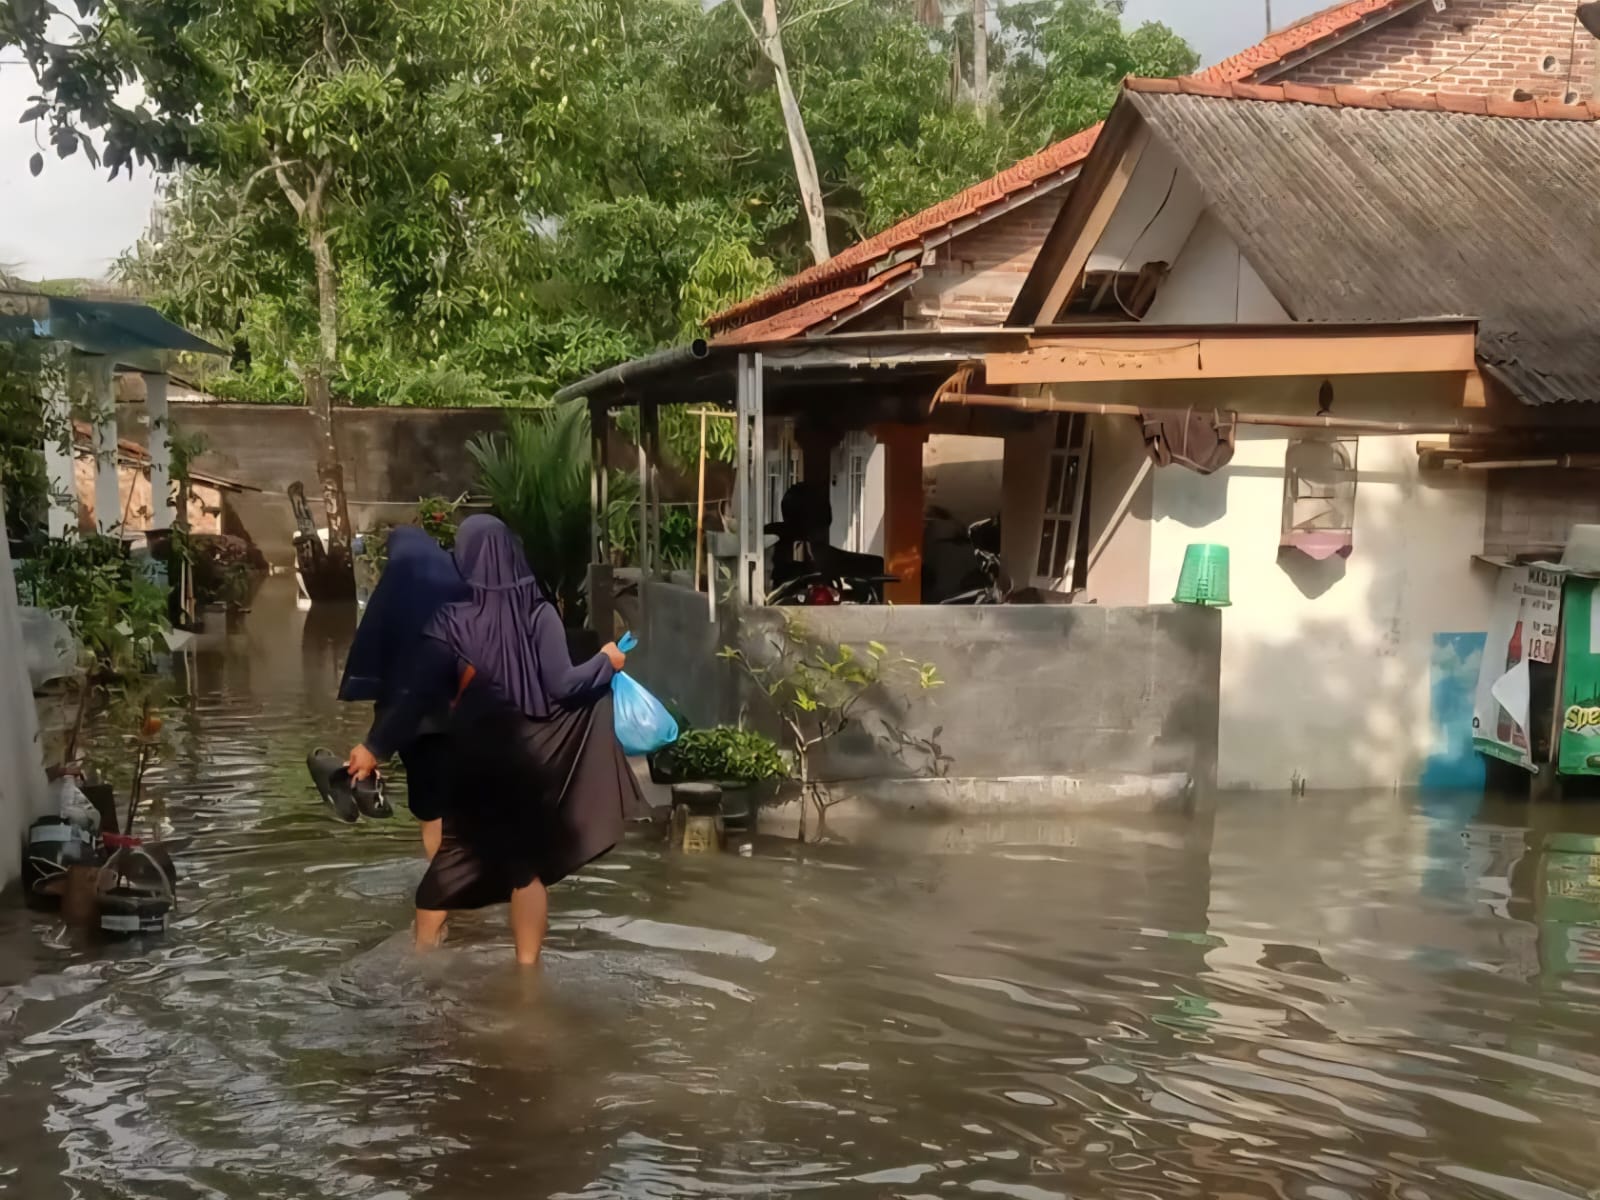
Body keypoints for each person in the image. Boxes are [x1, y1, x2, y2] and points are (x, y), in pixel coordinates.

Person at [348, 514, 644, 965]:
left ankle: (422, 962)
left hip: (471, 757)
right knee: (525, 869)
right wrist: (607, 661)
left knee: (452, 858)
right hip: (530, 757)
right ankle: (527, 976)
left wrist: (374, 748)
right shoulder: (540, 613)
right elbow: (564, 684)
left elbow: (416, 694)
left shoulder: (450, 620)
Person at [339, 526, 471, 859]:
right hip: (478, 725)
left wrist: (375, 747)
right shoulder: (468, 602)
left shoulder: (398, 605)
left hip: (425, 734)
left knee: (435, 820)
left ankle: (448, 891)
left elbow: (406, 689)